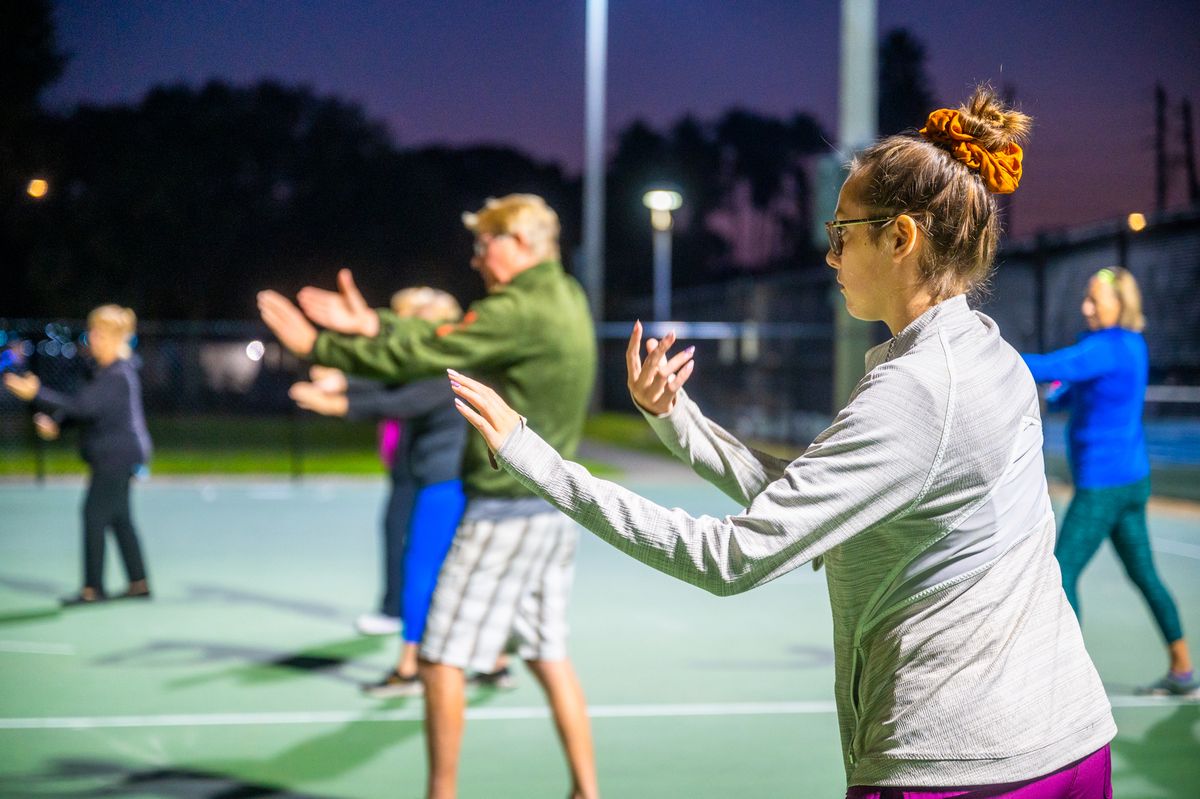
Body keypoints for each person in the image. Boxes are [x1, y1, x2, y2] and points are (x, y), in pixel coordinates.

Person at [447, 90, 1118, 797]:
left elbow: (732, 557)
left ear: (901, 239)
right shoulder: (988, 356)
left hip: (961, 766)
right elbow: (817, 504)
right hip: (1069, 739)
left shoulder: (917, 393)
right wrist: (680, 422)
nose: (829, 254)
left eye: (843, 232)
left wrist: (535, 457)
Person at [258, 194, 599, 799]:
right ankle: (586, 791)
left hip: (502, 508)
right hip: (552, 505)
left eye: (484, 244)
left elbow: (430, 352)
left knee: (440, 657)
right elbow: (449, 333)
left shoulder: (520, 308)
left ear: (520, 242)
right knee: (547, 653)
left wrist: (321, 347)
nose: (475, 259)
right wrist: (372, 325)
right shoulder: (564, 295)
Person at [290, 286, 502, 697]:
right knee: (459, 573)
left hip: (448, 484)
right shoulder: (438, 365)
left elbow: (401, 400)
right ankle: (494, 662)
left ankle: (410, 669)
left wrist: (339, 400)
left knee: (422, 573)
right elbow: (391, 383)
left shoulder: (448, 367)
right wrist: (343, 381)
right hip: (445, 480)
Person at [1023, 267, 1196, 697]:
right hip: (1132, 482)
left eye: (1093, 301)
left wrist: (986, 353)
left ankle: (1066, 685)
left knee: (1061, 574)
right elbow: (1074, 384)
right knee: (1145, 574)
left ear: (1119, 305)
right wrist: (1063, 392)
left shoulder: (1106, 347)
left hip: (1103, 487)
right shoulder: (1130, 348)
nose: (1085, 307)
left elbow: (1051, 367)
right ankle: (1182, 669)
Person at [4, 304, 153, 606]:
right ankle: (139, 583)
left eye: (97, 332)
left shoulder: (116, 374)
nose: (91, 338)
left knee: (94, 515)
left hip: (116, 456)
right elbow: (86, 409)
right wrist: (57, 423)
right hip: (118, 455)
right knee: (120, 518)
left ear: (112, 337)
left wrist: (36, 394)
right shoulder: (107, 371)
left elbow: (83, 407)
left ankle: (92, 589)